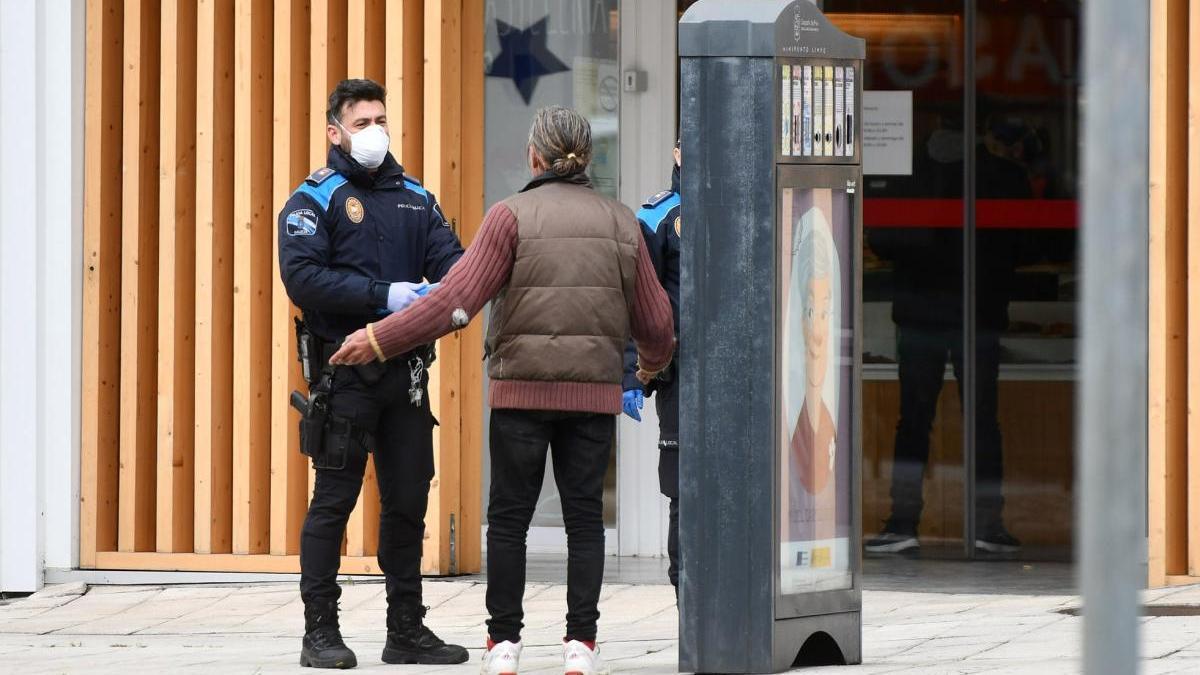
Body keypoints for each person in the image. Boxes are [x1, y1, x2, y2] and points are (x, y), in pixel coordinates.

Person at [330, 105, 675, 675]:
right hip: (592, 398)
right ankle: (580, 647)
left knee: (510, 518)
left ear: (535, 156)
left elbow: (452, 302)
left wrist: (377, 338)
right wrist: (644, 371)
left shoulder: (509, 217)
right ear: (585, 158)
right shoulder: (622, 222)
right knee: (585, 519)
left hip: (519, 395)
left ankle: (505, 646)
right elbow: (657, 326)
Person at [277, 78, 469, 669]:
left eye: (380, 120)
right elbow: (303, 279)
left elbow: (456, 264)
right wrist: (382, 294)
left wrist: (450, 293)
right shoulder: (315, 200)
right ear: (334, 131)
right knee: (333, 501)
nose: (374, 132)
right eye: (361, 123)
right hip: (344, 377)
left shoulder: (416, 197)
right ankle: (319, 632)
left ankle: (405, 630)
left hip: (405, 376)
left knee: (408, 501)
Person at [864, 113, 1030, 556]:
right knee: (982, 420)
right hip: (979, 312)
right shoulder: (1000, 174)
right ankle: (988, 524)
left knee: (913, 421)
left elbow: (880, 238)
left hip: (921, 313)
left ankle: (903, 522)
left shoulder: (908, 172)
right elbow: (1028, 242)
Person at [621, 140, 682, 592]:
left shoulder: (753, 204)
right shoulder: (658, 217)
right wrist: (631, 371)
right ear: (677, 151)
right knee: (684, 491)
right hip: (682, 374)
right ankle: (686, 593)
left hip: (747, 380)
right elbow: (636, 300)